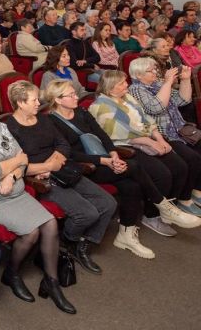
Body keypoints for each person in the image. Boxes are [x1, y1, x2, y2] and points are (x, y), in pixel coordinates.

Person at [0, 88, 76, 314]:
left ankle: (52, 282)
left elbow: (24, 158)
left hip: (14, 191)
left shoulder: (0, 127)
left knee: (49, 223)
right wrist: (16, 162)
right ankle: (11, 273)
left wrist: (11, 174)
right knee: (31, 232)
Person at [45, 79, 173, 259]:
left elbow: (102, 135)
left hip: (104, 159)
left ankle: (126, 235)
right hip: (84, 167)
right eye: (71, 95)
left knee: (132, 186)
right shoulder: (51, 121)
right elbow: (69, 154)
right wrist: (104, 160)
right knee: (134, 166)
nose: (77, 97)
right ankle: (162, 204)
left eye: (75, 93)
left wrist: (113, 154)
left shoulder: (81, 112)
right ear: (58, 100)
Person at [6, 81, 117, 273]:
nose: (38, 103)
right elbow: (17, 166)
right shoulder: (9, 128)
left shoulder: (43, 119)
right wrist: (47, 167)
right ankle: (67, 242)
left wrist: (54, 163)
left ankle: (79, 242)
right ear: (20, 103)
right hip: (40, 180)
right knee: (87, 213)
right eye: (34, 100)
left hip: (63, 168)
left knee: (108, 204)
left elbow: (63, 144)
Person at [88, 70, 201, 234]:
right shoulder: (100, 106)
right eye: (121, 83)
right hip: (127, 147)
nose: (126, 85)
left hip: (147, 139)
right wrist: (148, 141)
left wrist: (159, 139)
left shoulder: (127, 98)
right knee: (162, 174)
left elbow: (148, 120)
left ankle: (169, 207)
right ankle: (151, 215)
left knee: (180, 167)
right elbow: (119, 134)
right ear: (111, 88)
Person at [127, 58, 201, 217]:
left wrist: (186, 80)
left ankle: (195, 188)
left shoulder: (157, 84)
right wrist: (168, 83)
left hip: (179, 129)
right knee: (192, 158)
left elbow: (183, 100)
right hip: (164, 134)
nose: (155, 72)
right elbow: (155, 107)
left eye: (155, 69)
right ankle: (184, 198)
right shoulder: (136, 89)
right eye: (150, 70)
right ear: (138, 75)